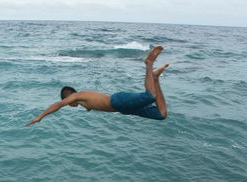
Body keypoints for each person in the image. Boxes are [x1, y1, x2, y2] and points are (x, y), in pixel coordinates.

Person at [26, 46, 168, 126]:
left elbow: (58, 104)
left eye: (66, 100)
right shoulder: (83, 101)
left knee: (150, 96)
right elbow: (89, 105)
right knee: (161, 115)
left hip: (118, 101)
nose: (68, 104)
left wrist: (41, 116)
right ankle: (155, 79)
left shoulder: (77, 95)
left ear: (69, 95)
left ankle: (148, 64)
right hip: (124, 108)